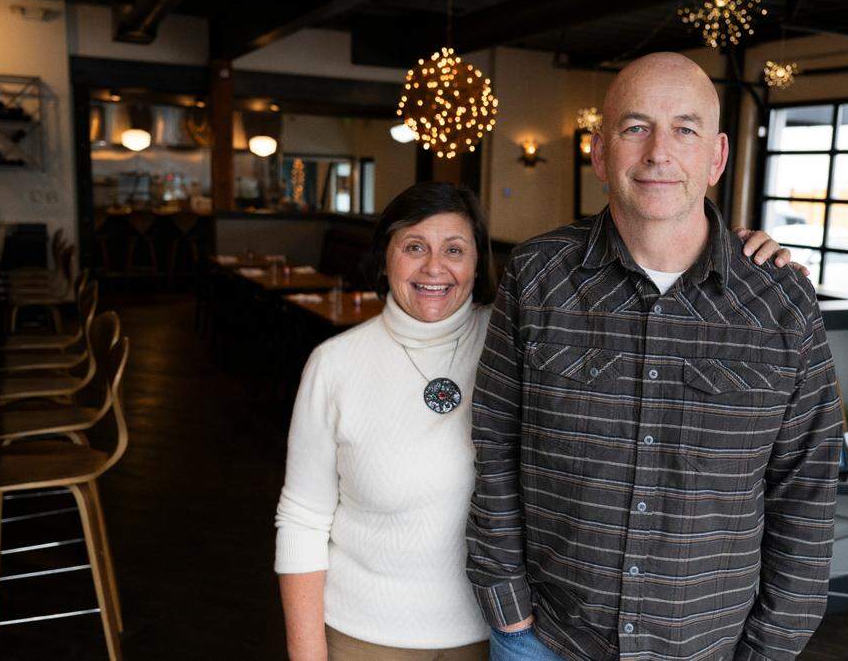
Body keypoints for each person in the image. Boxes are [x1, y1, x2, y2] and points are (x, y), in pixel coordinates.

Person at [275, 183, 798, 661]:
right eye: (414, 246)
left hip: (504, 632)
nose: (434, 267)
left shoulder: (524, 332)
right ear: (384, 257)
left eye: (454, 249)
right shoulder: (335, 363)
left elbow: (643, 316)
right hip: (367, 636)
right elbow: (303, 517)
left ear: (479, 262)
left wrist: (736, 250)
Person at [467, 52, 843, 661]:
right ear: (598, 151)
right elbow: (496, 437)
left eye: (684, 129)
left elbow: (807, 489)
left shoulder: (780, 300)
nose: (658, 152)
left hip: (709, 646)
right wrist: (508, 603)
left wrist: (771, 647)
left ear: (717, 156)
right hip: (547, 638)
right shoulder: (536, 276)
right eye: (635, 127)